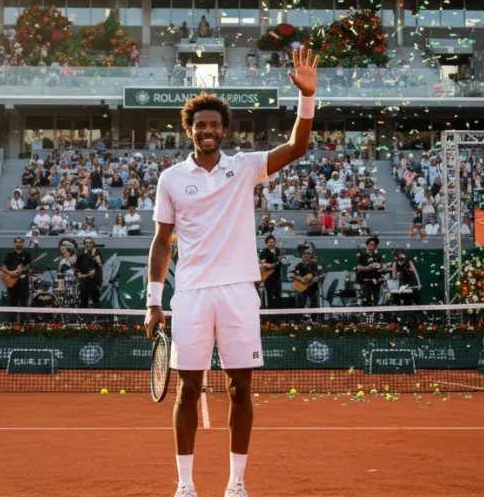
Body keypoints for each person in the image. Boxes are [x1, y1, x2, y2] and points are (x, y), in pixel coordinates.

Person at [143, 46, 318, 497]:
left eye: (214, 125)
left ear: (224, 130)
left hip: (239, 292)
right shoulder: (169, 179)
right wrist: (153, 302)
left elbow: (298, 146)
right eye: (200, 125)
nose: (208, 130)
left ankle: (236, 483)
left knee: (241, 388)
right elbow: (162, 241)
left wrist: (307, 97)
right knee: (188, 390)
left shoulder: (244, 168)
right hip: (192, 294)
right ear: (190, 129)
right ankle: (185, 485)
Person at [0, 238, 35, 319]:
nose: (18, 244)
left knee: (23, 301)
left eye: (20, 242)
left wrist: (27, 267)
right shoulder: (10, 254)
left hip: (23, 281)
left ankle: (22, 321)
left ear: (22, 243)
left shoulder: (27, 254)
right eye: (17, 242)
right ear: (14, 244)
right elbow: (3, 267)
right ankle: (12, 322)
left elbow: (30, 267)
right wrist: (10, 273)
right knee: (13, 301)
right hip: (12, 282)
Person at [75, 237, 104, 308]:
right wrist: (87, 275)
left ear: (93, 244)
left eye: (90, 243)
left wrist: (95, 255)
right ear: (84, 245)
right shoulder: (81, 256)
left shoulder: (97, 253)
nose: (88, 244)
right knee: (83, 303)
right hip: (84, 284)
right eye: (86, 243)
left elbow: (100, 265)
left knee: (96, 303)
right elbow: (78, 272)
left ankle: (97, 315)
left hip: (94, 283)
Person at [355, 237, 383, 307]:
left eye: (373, 245)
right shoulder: (362, 256)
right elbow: (358, 267)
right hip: (365, 281)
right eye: (370, 244)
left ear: (375, 247)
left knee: (377, 299)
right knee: (367, 299)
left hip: (376, 281)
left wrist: (379, 266)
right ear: (367, 245)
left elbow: (381, 266)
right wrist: (367, 268)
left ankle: (376, 312)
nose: (371, 247)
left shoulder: (377, 256)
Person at [257, 235, 282, 309]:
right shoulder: (263, 252)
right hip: (268, 276)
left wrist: (277, 263)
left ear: (275, 242)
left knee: (278, 292)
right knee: (269, 293)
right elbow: (263, 263)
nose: (271, 244)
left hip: (277, 275)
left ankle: (278, 310)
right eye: (269, 242)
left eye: (272, 242)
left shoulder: (278, 250)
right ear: (266, 243)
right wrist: (269, 265)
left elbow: (281, 260)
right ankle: (270, 310)